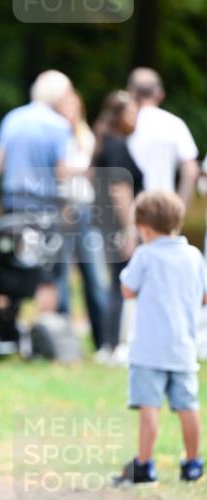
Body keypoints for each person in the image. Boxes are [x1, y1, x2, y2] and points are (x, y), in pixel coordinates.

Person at [112, 191, 206, 486]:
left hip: (148, 349)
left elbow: (127, 290)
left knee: (148, 406)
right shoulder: (193, 255)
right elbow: (203, 296)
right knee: (188, 406)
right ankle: (192, 463)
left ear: (144, 228)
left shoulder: (145, 255)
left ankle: (144, 466)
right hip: (183, 347)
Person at [0, 70, 73, 312]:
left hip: (13, 203)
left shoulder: (12, 118)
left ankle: (3, 325)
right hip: (44, 206)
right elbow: (62, 173)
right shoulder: (59, 126)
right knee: (46, 273)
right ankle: (45, 330)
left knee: (8, 264)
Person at [91, 90, 144, 363]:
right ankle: (113, 345)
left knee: (116, 282)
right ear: (121, 116)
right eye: (133, 113)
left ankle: (109, 344)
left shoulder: (103, 143)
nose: (136, 119)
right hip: (117, 225)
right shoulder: (117, 146)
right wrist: (130, 228)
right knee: (121, 283)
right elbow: (119, 189)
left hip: (104, 223)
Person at [56, 89, 107, 351]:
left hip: (85, 210)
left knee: (95, 277)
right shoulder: (55, 135)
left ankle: (103, 342)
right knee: (61, 278)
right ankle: (66, 345)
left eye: (74, 107)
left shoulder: (85, 136)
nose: (69, 113)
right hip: (60, 210)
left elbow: (89, 173)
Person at [126, 67, 199, 204]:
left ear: (130, 91)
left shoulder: (124, 125)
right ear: (160, 93)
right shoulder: (175, 124)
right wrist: (179, 209)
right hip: (164, 207)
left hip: (130, 207)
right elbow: (190, 171)